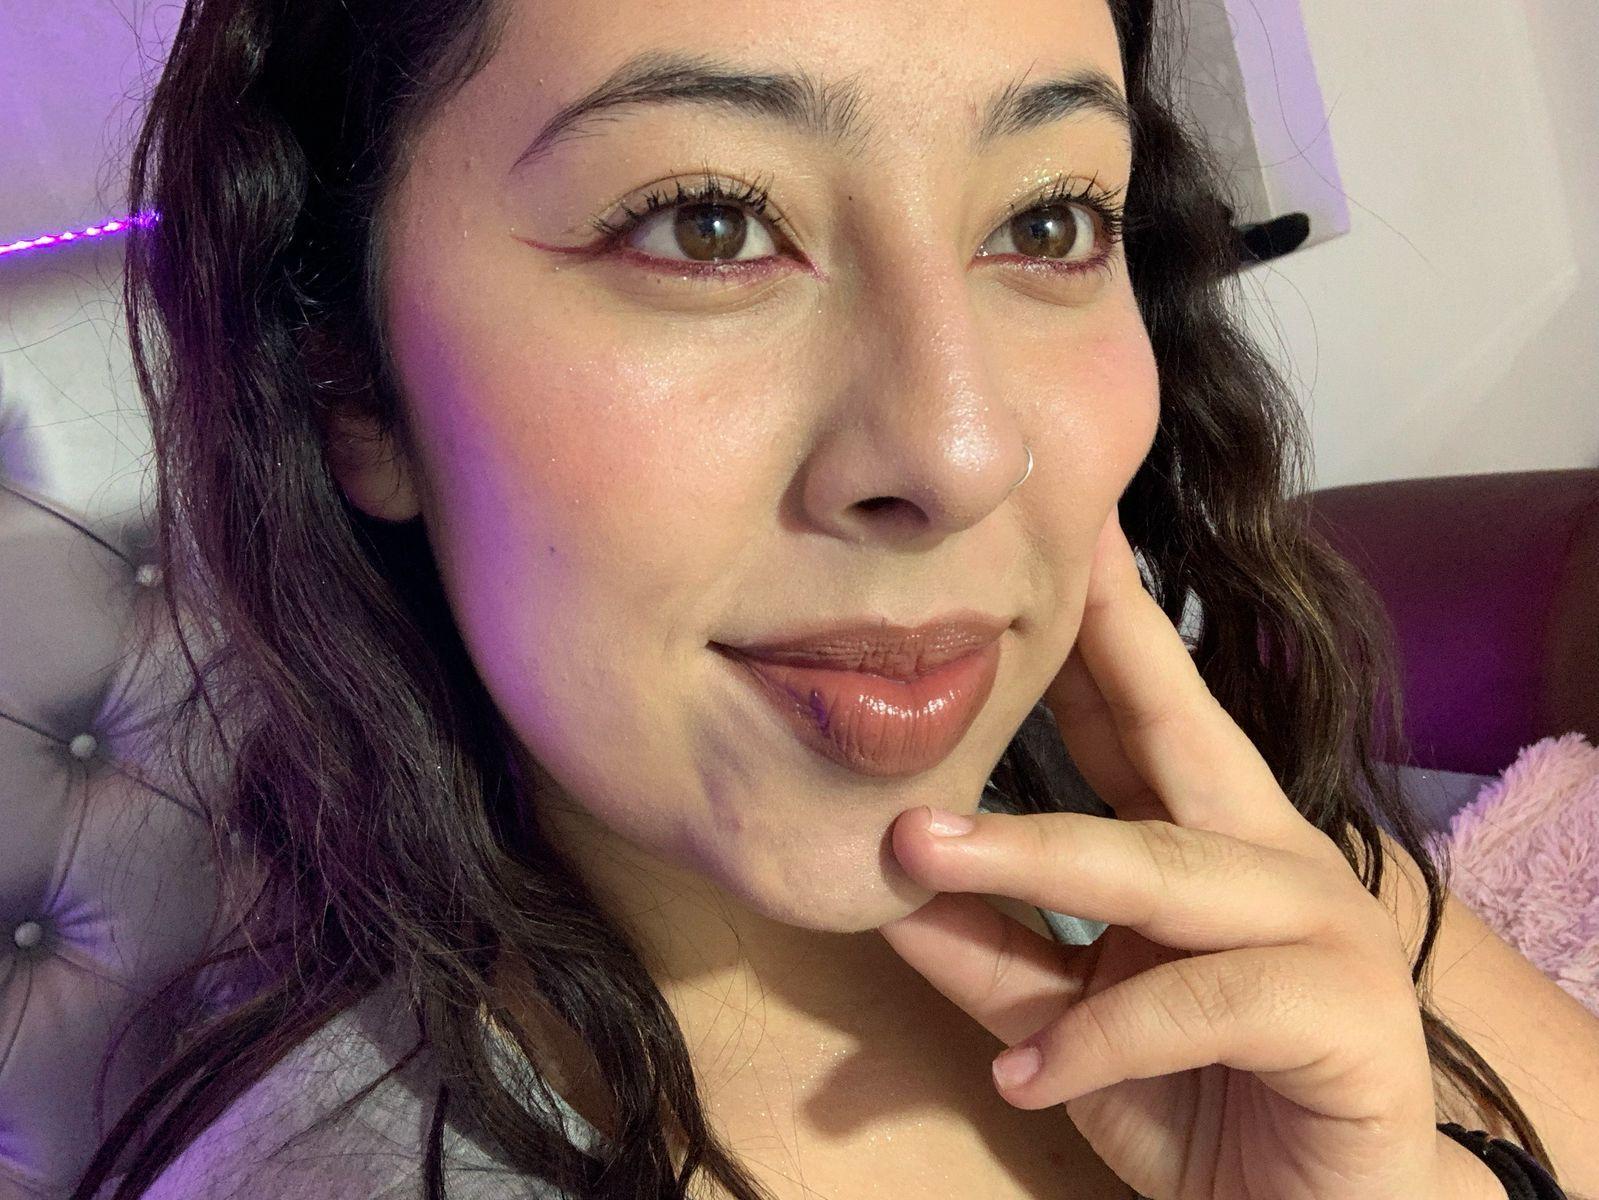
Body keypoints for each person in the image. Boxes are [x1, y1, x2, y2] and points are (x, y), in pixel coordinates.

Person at [66, 0, 1596, 1198]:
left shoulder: (1201, 844)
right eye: (707, 222)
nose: (960, 450)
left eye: (1049, 221)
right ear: (347, 372)